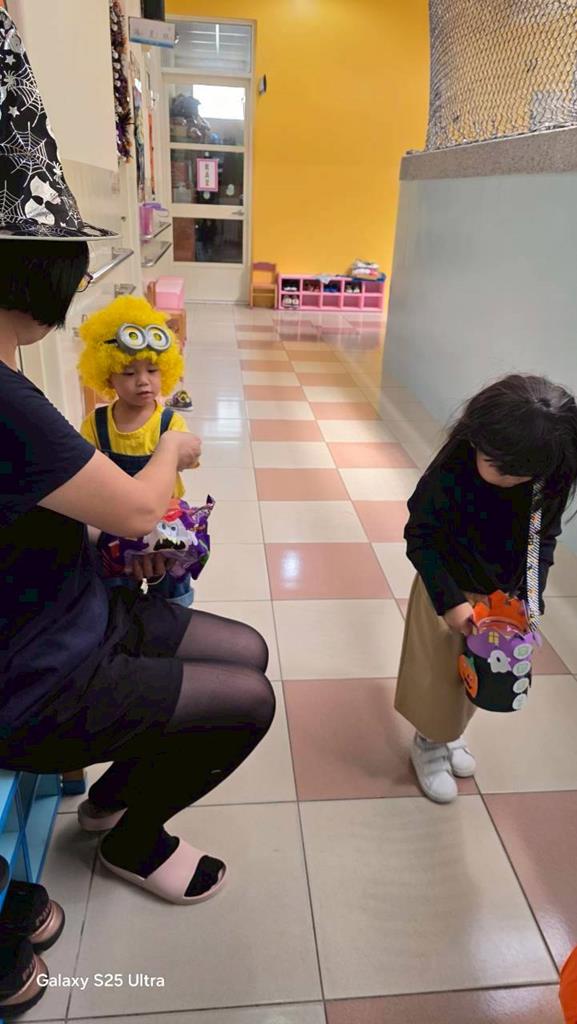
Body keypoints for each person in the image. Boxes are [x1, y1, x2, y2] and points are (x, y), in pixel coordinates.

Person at [0, 4, 275, 940]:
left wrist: (118, 545)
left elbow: (70, 517)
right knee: (247, 698)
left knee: (247, 650)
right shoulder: (8, 402)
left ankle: (116, 799)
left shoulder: (15, 388)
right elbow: (132, 507)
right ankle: (131, 836)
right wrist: (171, 451)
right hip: (35, 673)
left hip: (71, 611)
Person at [395, 375, 577, 803]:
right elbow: (420, 536)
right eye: (499, 466)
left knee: (480, 673)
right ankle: (429, 741)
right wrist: (451, 604)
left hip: (502, 601)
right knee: (437, 677)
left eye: (521, 473)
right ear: (476, 438)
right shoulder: (454, 470)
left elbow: (542, 541)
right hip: (448, 591)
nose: (509, 479)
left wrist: (530, 600)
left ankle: (449, 729)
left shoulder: (544, 474)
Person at [78, 294, 194, 605]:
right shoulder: (95, 424)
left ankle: (173, 624)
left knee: (171, 593)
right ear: (108, 376)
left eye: (152, 371)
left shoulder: (170, 422)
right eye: (129, 373)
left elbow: (188, 458)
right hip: (114, 523)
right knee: (115, 592)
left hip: (164, 524)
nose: (143, 381)